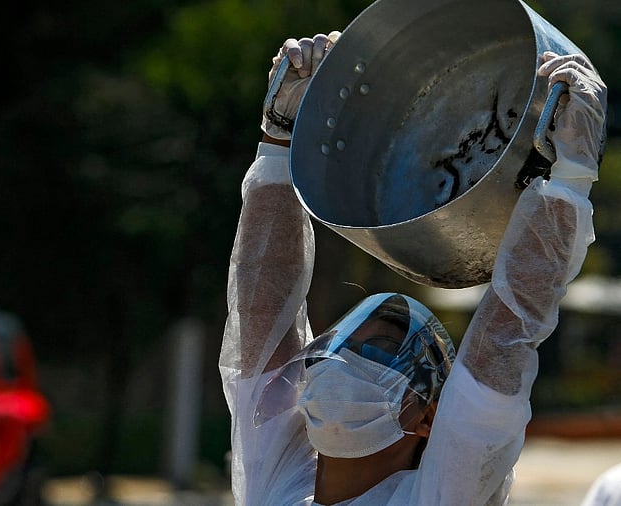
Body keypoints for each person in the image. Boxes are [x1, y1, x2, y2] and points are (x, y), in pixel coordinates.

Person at [220, 31, 608, 505]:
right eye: (341, 343)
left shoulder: (440, 494)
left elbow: (506, 333)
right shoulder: (278, 487)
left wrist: (569, 182)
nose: (343, 358)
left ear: (429, 417)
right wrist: (280, 139)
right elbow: (262, 316)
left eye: (380, 349)